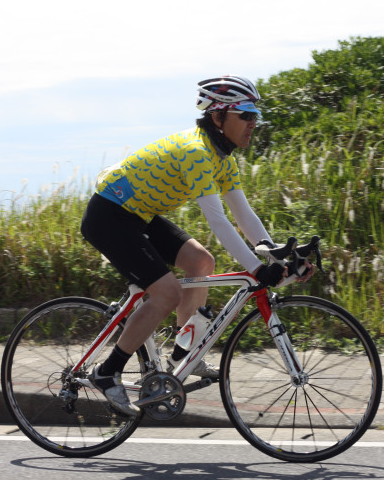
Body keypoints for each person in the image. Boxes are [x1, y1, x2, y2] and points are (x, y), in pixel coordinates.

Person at [80, 75, 314, 416]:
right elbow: (218, 221)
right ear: (218, 117)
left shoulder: (223, 157)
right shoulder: (196, 152)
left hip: (139, 214)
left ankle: (182, 354)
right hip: (109, 216)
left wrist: (272, 252)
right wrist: (257, 269)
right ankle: (107, 371)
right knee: (166, 293)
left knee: (201, 263)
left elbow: (242, 213)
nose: (253, 123)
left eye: (255, 115)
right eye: (245, 114)